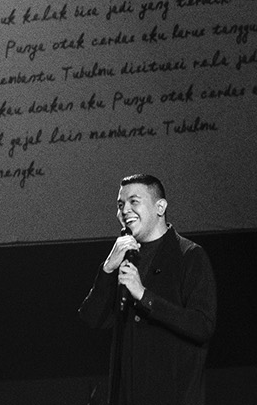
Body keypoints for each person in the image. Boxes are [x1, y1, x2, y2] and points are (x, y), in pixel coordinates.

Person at [78, 173, 217, 405]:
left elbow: (202, 325)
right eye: (120, 205)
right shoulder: (124, 258)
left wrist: (144, 295)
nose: (125, 210)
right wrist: (108, 268)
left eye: (134, 201)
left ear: (160, 207)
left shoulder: (189, 255)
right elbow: (92, 319)